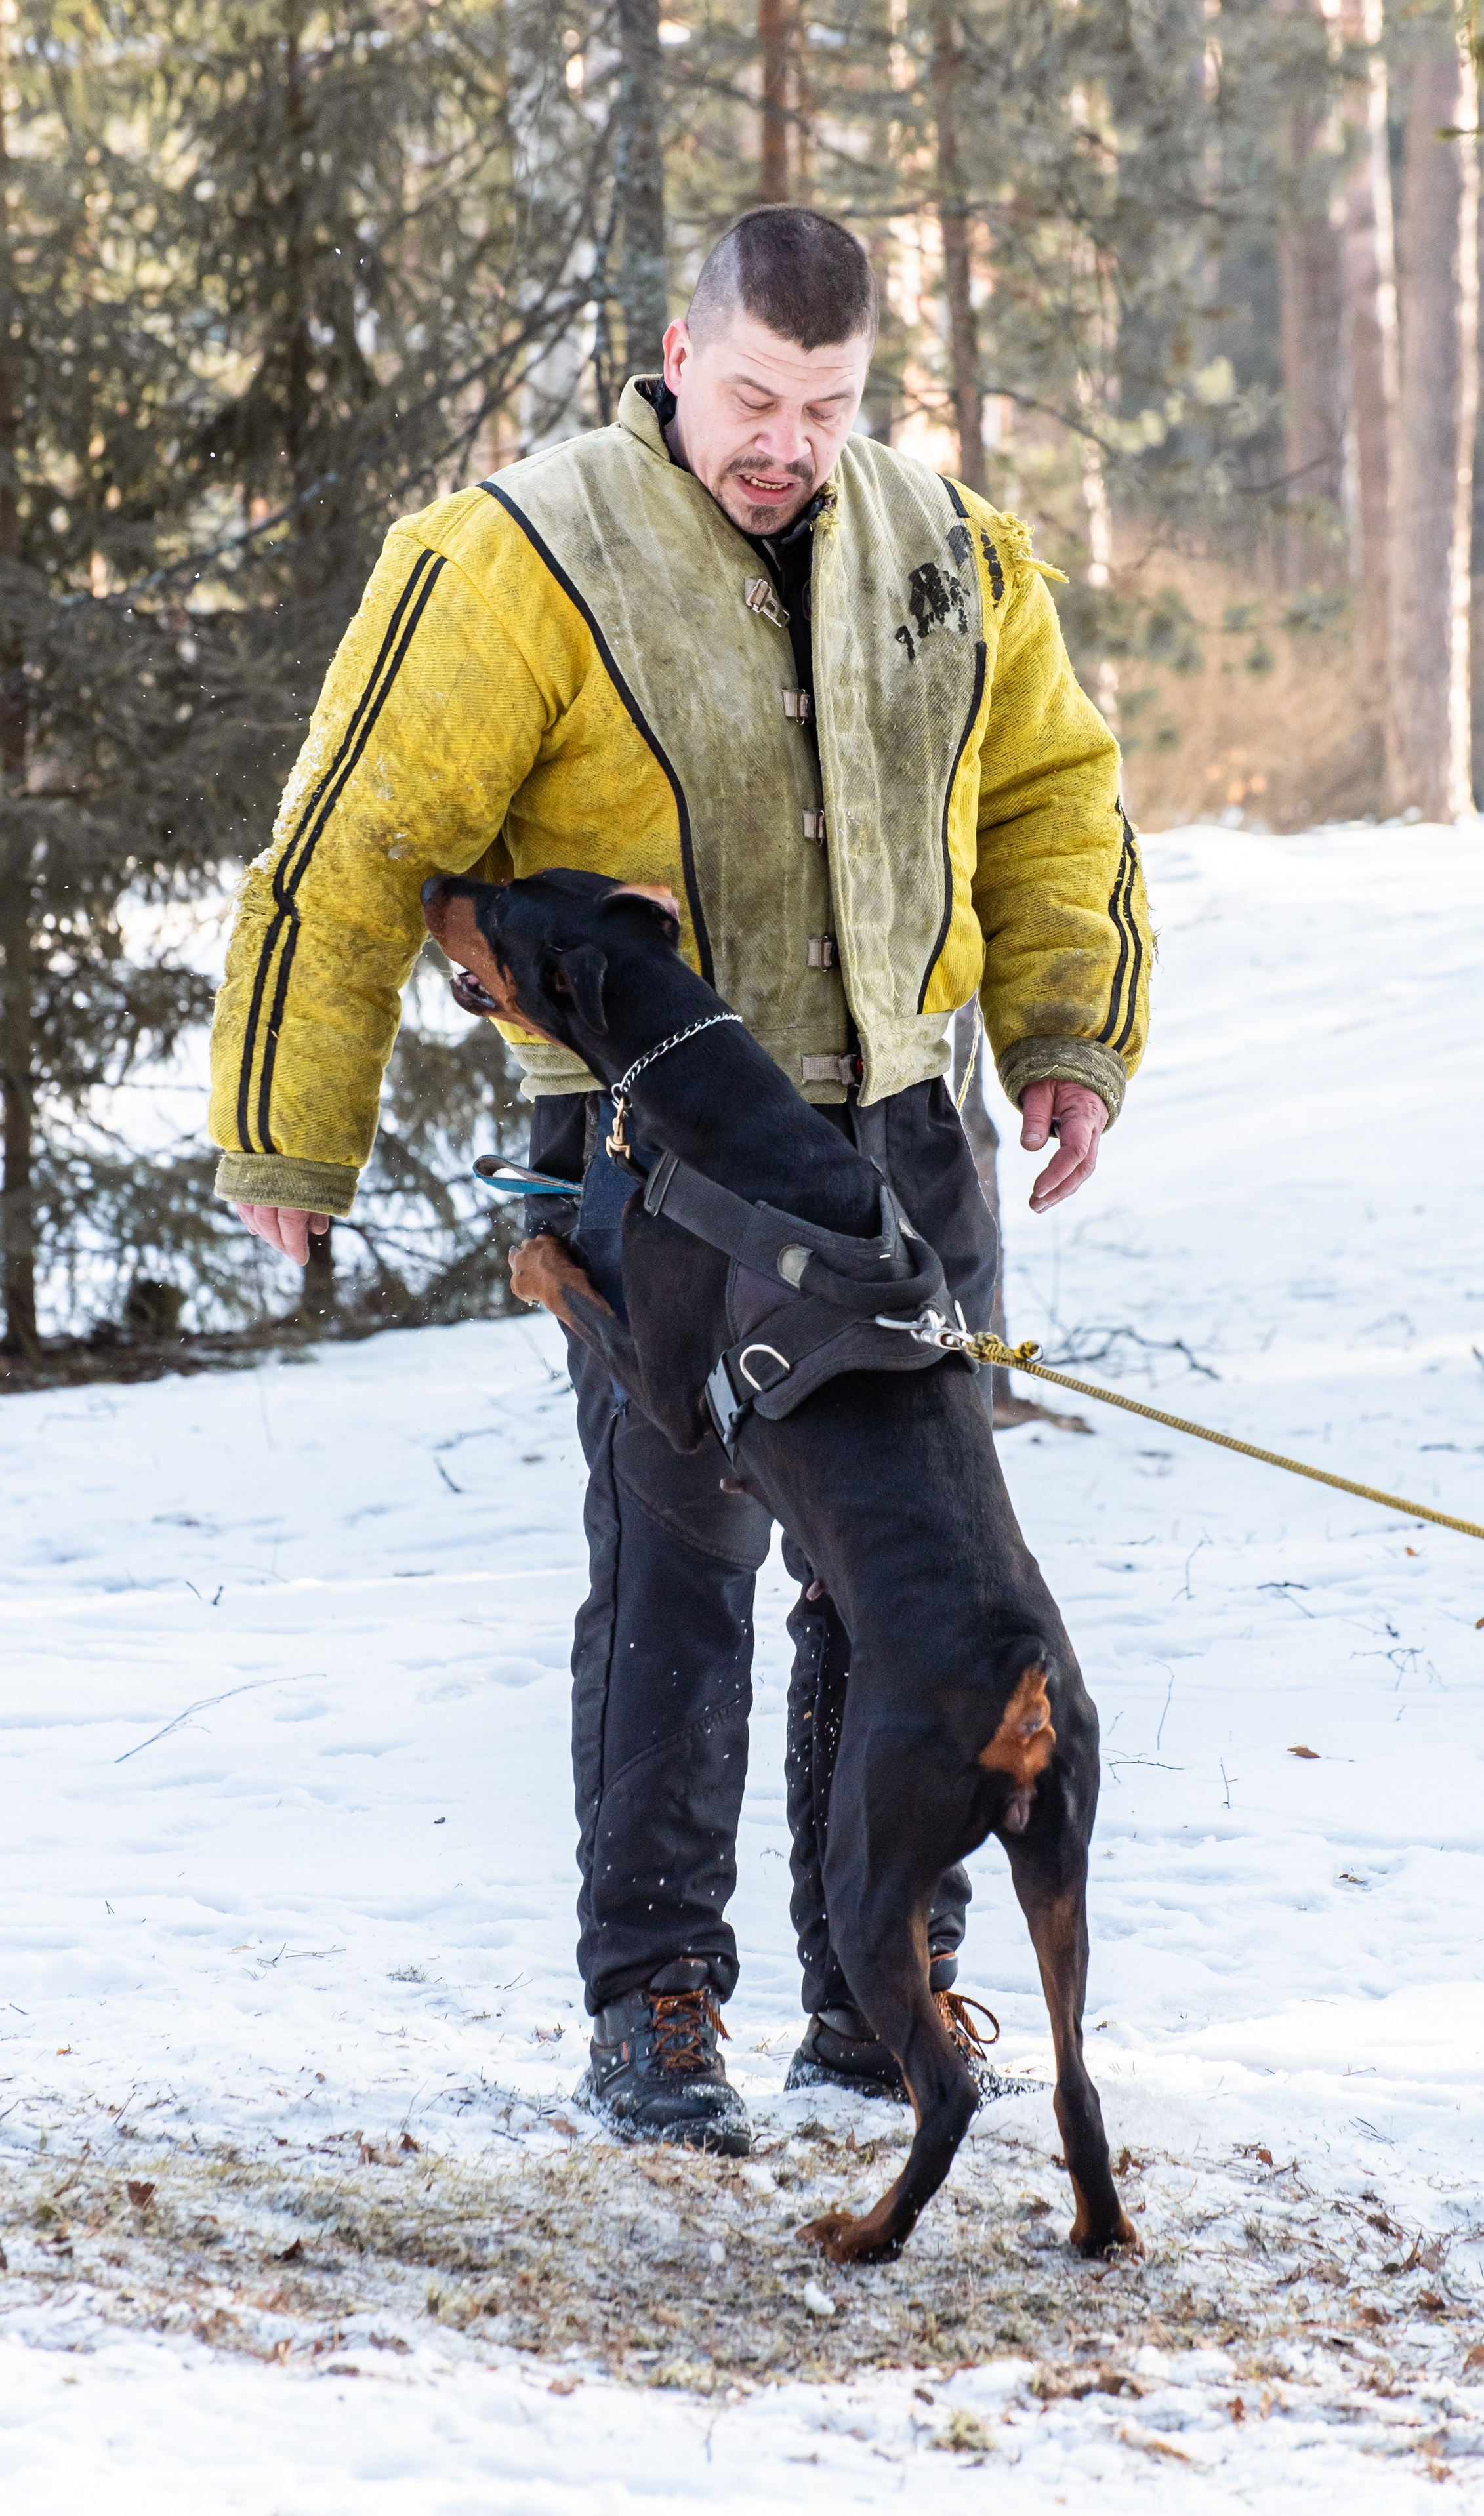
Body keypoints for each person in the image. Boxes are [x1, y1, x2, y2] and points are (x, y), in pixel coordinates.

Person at [208, 205, 1152, 2154]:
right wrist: (293, 1129)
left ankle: (881, 1993)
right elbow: (356, 836)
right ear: (672, 352)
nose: (786, 439)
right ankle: (656, 1994)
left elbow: (1052, 786)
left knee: (910, 1580)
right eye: (750, 396)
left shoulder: (947, 545)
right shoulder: (526, 551)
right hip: (666, 1150)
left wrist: (1065, 1034)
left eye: (825, 403)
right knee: (680, 1564)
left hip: (900, 1134)